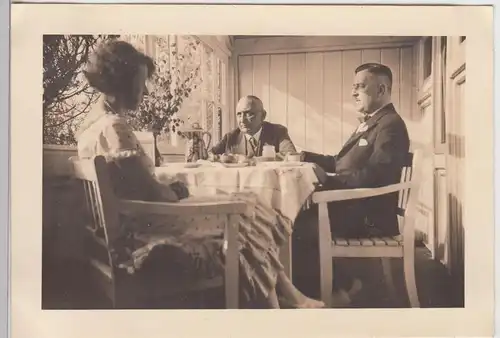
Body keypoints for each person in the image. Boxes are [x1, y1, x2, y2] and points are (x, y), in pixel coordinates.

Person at [76, 39, 323, 309]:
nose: (145, 91)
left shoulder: (90, 127)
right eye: (141, 82)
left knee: (247, 208)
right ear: (122, 81)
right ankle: (282, 303)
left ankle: (285, 297)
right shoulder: (114, 128)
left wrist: (171, 188)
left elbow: (135, 183)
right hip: (145, 233)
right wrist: (175, 190)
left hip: (129, 225)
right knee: (248, 213)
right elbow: (155, 193)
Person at [293, 62, 410, 306]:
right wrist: (304, 156)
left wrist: (329, 181)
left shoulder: (391, 125)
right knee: (295, 215)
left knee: (295, 224)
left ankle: (332, 292)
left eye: (360, 86)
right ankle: (338, 285)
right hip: (354, 204)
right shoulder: (371, 122)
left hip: (369, 215)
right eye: (353, 86)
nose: (353, 92)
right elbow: (340, 162)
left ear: (381, 90)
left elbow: (379, 175)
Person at [210, 96, 297, 159]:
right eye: (239, 114)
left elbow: (291, 155)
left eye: (249, 114)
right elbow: (210, 155)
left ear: (263, 115)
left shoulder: (278, 132)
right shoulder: (231, 137)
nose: (242, 120)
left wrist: (256, 160)